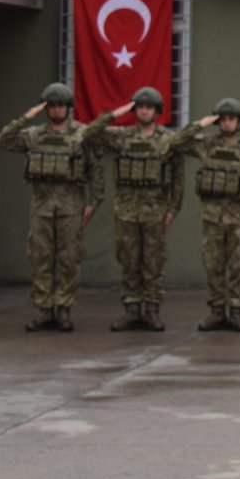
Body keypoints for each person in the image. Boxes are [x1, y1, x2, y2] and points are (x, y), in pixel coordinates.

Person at [0, 82, 110, 332]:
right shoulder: (34, 135)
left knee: (69, 259)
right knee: (41, 259)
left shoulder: (82, 134)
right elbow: (3, 140)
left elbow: (95, 171)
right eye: (53, 106)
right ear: (47, 108)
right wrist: (26, 117)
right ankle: (44, 311)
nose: (57, 110)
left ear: (68, 108)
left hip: (71, 205)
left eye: (61, 106)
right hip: (42, 205)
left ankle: (64, 309)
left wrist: (93, 203)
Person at [94, 87, 183, 332]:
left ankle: (152, 311)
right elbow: (91, 133)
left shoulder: (167, 140)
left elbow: (178, 177)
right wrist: (118, 112)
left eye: (148, 107)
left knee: (153, 262)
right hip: (126, 210)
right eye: (140, 107)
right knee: (129, 261)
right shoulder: (122, 136)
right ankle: (132, 310)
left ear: (157, 111)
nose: (144, 111)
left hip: (155, 210)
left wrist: (173, 208)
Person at [174, 98, 240, 333]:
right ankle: (216, 311)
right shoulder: (206, 144)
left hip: (238, 214)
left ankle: (235, 311)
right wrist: (201, 124)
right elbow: (176, 142)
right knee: (213, 264)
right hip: (212, 215)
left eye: (231, 119)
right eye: (222, 120)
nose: (227, 124)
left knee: (238, 265)